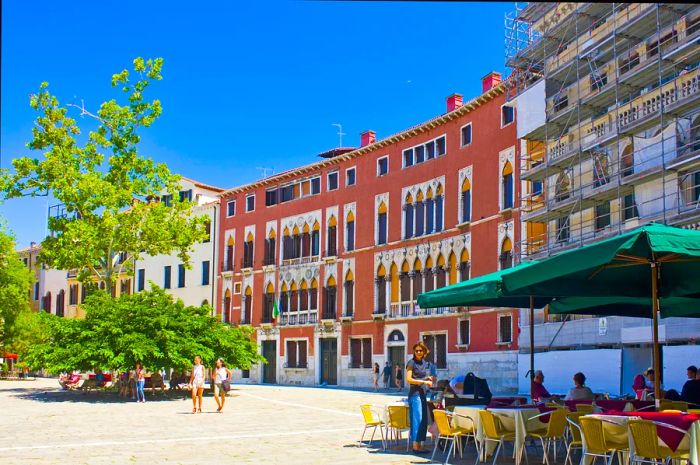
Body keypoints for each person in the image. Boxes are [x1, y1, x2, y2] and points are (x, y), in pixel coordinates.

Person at [406, 341, 432, 454]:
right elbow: (409, 379)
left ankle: (420, 445)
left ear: (424, 351)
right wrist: (422, 381)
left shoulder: (425, 363)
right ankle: (415, 446)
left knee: (423, 420)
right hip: (415, 395)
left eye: (420, 350)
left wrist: (428, 379)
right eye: (416, 350)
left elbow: (423, 377)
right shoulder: (411, 362)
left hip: (423, 394)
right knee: (417, 420)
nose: (418, 352)